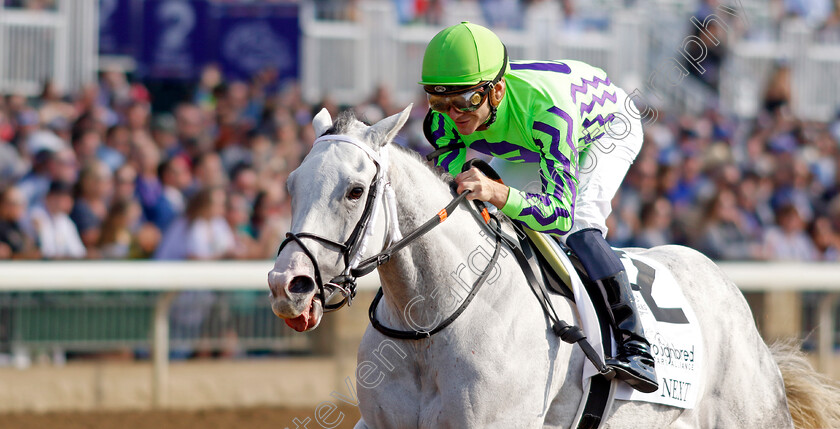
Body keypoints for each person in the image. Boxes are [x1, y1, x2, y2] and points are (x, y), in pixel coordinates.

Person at [419, 22, 656, 392]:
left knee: (579, 223)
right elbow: (451, 172)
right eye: (439, 101)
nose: (453, 114)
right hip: (528, 139)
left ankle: (635, 344)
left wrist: (497, 193)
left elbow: (558, 214)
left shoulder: (548, 113)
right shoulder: (444, 118)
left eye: (466, 101)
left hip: (604, 128)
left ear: (496, 91)